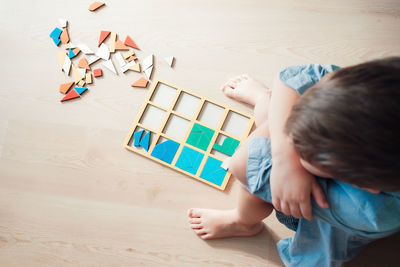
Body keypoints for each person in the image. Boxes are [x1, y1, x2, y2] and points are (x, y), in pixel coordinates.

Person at [187, 57, 400, 266]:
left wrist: (283, 153)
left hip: (309, 215)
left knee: (276, 120)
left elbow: (241, 164)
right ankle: (272, 106)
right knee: (289, 109)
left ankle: (242, 221)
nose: (292, 142)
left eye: (305, 152)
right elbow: (288, 80)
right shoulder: (372, 91)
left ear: (360, 182)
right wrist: (284, 153)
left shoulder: (370, 210)